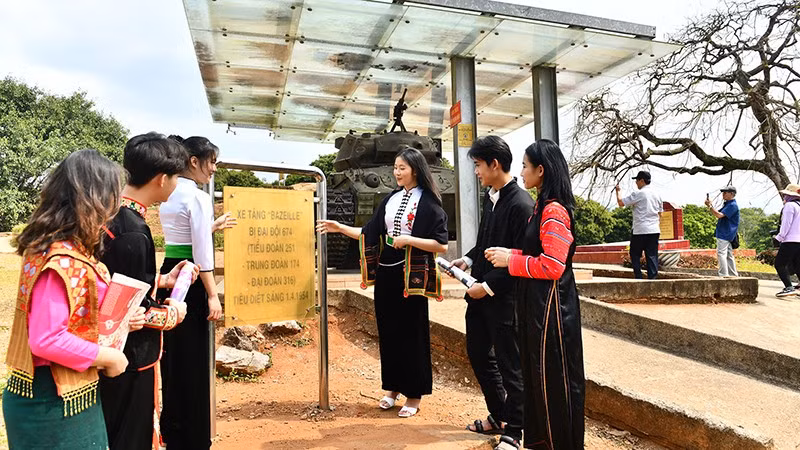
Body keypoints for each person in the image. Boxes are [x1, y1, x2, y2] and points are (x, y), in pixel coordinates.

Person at [3, 150, 129, 449]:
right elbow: (47, 339)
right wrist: (111, 357)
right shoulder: (61, 257)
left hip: (69, 393)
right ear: (93, 199)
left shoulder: (57, 248)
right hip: (52, 402)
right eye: (112, 197)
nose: (114, 208)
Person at [317, 147, 448, 418]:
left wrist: (409, 240)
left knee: (413, 333)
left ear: (415, 169)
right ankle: (392, 388)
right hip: (387, 273)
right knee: (388, 332)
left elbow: (441, 245)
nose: (397, 172)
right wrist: (339, 227)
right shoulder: (390, 199)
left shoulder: (430, 203)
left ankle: (414, 394)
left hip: (411, 275)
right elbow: (368, 233)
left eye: (402, 168)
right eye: (395, 167)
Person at [485, 139, 584, 450]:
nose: (522, 172)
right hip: (538, 306)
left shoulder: (554, 210)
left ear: (541, 170)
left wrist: (510, 261)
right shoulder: (542, 206)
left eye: (526, 167)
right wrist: (509, 253)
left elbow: (553, 266)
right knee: (537, 377)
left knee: (552, 379)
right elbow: (536, 253)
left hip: (552, 311)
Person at [99, 133, 196, 449]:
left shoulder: (110, 215)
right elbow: (131, 312)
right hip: (130, 358)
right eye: (176, 178)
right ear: (161, 179)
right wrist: (174, 312)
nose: (176, 185)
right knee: (132, 436)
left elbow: (116, 284)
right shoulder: (135, 232)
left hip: (110, 356)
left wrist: (164, 281)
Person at [448, 136, 533, 444]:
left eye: (478, 165)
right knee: (479, 354)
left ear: (494, 164)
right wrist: (469, 259)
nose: (476, 172)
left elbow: (520, 258)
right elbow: (486, 240)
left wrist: (486, 287)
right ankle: (500, 415)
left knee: (511, 365)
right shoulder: (492, 196)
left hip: (504, 300)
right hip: (480, 296)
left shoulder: (522, 205)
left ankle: (515, 432)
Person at [158, 135, 236, 449]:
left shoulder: (170, 191)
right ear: (194, 161)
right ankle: (194, 437)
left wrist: (211, 226)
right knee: (195, 361)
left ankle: (171, 429)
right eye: (212, 161)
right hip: (190, 279)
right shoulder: (199, 197)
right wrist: (212, 294)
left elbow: (182, 237)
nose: (214, 168)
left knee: (172, 357)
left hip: (169, 271)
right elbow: (202, 255)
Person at [616, 170, 663, 279]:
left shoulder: (638, 193)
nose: (636, 183)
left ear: (642, 180)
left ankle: (639, 277)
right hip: (654, 229)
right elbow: (660, 213)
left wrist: (618, 191)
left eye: (637, 180)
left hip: (640, 229)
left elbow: (621, 203)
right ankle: (653, 279)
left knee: (635, 254)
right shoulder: (657, 194)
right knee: (652, 255)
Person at [705, 185, 740, 277]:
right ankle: (733, 274)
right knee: (728, 255)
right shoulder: (728, 204)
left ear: (731, 194)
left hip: (725, 233)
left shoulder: (732, 205)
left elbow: (719, 215)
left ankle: (723, 274)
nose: (723, 194)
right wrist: (710, 207)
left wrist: (710, 206)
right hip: (728, 233)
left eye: (725, 192)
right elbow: (718, 213)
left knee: (721, 254)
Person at [773, 184, 800, 297]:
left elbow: (786, 224)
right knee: (798, 265)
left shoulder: (789, 206)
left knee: (779, 264)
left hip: (790, 240)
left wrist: (779, 237)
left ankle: (788, 287)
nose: (784, 196)